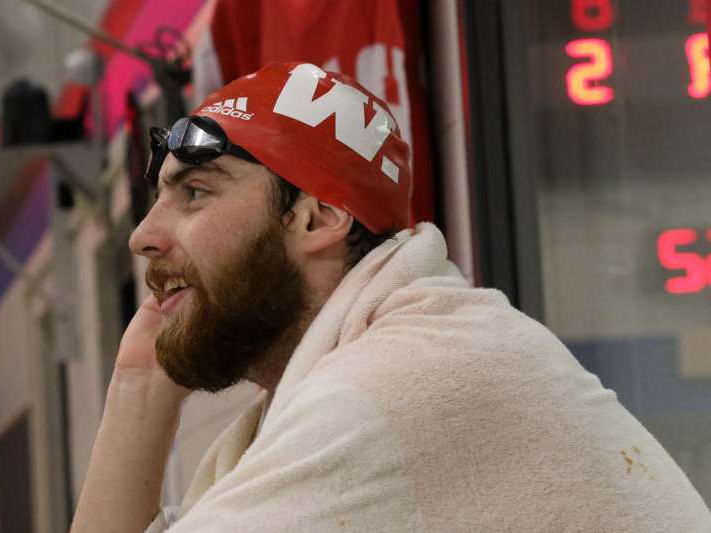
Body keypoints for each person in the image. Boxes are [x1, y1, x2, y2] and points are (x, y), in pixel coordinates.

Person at [70, 62, 711, 533]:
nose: (143, 237)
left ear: (317, 220)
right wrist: (138, 384)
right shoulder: (342, 384)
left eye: (196, 193)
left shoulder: (400, 383)